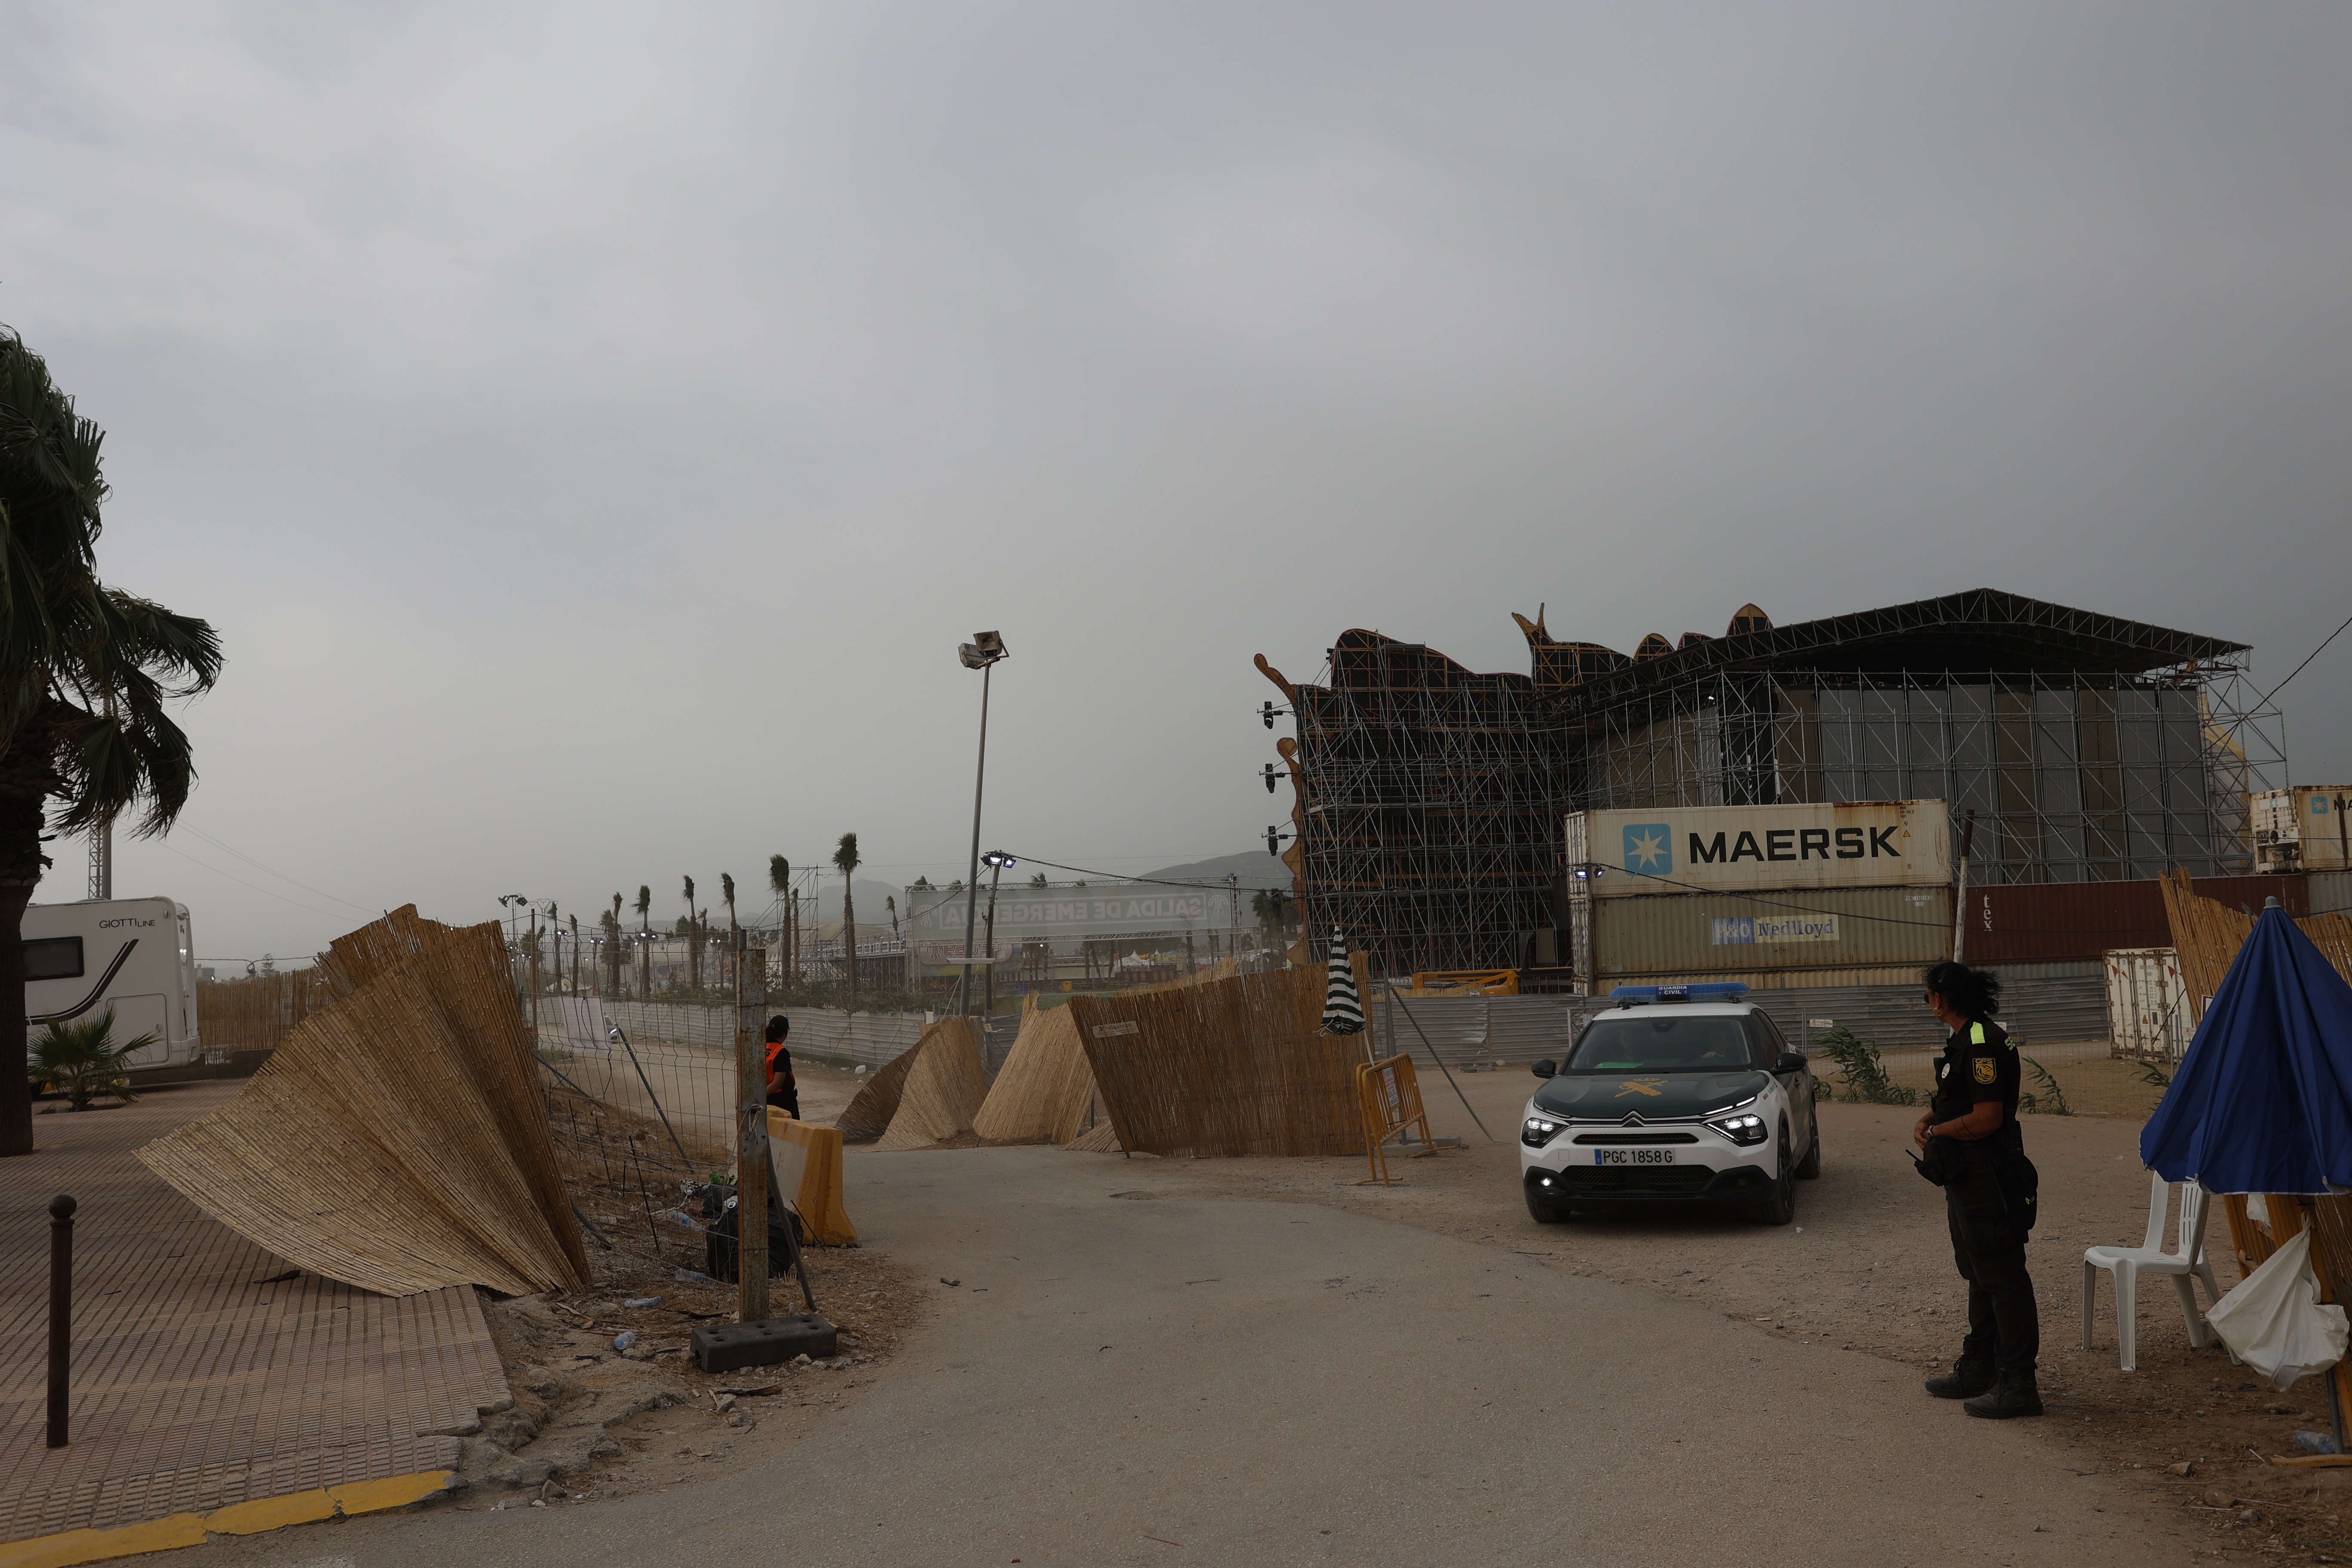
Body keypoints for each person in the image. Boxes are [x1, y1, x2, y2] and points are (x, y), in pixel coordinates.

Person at [1914, 959, 2042, 1418]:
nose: (1928, 1002)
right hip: (1967, 1175)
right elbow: (1966, 1097)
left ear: (1939, 1000)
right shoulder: (1968, 1038)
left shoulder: (1982, 1042)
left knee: (2002, 1276)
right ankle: (1980, 1367)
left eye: (1928, 995)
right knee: (1978, 1271)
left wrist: (1941, 1132)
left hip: (1986, 1175)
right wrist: (1933, 1118)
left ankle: (2019, 1384)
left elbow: (1987, 1118)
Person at [764, 1014, 799, 1119]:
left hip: (764, 1098)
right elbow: (777, 1083)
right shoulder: (781, 1052)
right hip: (782, 1101)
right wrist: (761, 1097)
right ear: (786, 1031)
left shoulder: (760, 1047)